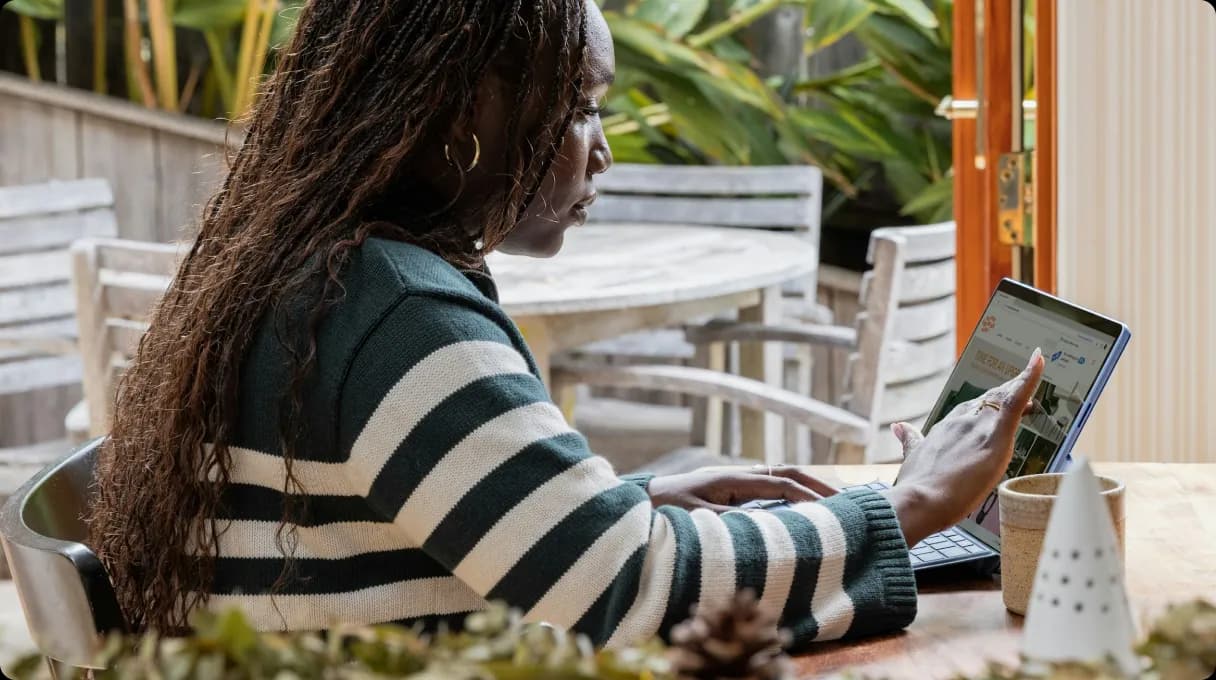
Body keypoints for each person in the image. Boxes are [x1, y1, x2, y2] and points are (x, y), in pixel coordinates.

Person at [87, 0, 1045, 649]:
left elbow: (475, 538)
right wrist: (910, 507)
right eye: (581, 106)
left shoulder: (323, 268)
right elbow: (628, 594)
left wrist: (620, 501)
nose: (605, 149)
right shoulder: (393, 310)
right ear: (467, 109)